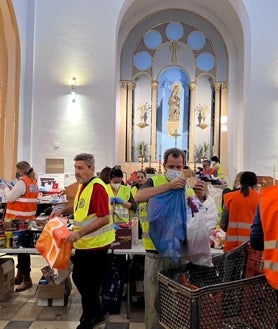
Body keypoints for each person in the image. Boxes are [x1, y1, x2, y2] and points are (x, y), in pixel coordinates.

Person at [135, 147, 206, 329]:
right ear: (164, 165)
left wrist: (200, 196)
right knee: (154, 303)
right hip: (156, 254)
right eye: (171, 166)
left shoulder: (186, 186)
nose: (176, 169)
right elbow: (139, 196)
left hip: (178, 253)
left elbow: (196, 211)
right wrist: (169, 186)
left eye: (179, 166)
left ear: (184, 167)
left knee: (175, 302)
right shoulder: (154, 181)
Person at [50, 153, 115, 329]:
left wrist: (79, 233)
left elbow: (104, 218)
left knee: (89, 284)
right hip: (85, 245)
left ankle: (88, 319)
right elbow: (80, 206)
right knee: (83, 280)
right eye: (75, 168)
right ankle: (97, 312)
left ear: (91, 168)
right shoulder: (84, 186)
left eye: (80, 168)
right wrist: (63, 210)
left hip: (95, 246)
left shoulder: (97, 187)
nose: (77, 171)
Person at [4, 161, 39, 292]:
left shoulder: (22, 182)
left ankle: (26, 279)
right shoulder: (33, 182)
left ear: (20, 170)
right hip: (27, 220)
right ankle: (20, 275)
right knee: (21, 248)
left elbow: (11, 198)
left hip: (17, 221)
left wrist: (6, 189)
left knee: (22, 250)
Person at [221, 171, 259, 252]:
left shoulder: (229, 197)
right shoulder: (260, 199)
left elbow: (223, 224)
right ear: (255, 184)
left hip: (231, 247)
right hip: (252, 248)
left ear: (240, 183)